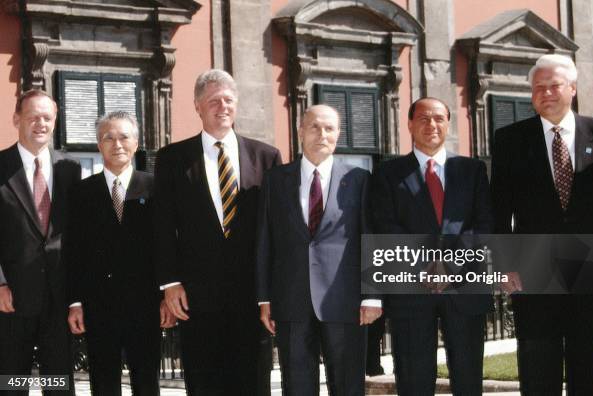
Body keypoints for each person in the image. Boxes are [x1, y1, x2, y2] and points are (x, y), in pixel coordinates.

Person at [154, 69, 281, 395]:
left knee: (253, 384)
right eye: (213, 101)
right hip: (197, 299)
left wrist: (271, 292)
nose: (221, 106)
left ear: (236, 104)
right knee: (204, 384)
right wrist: (170, 283)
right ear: (197, 106)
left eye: (228, 100)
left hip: (252, 297)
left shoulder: (267, 157)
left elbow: (275, 230)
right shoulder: (172, 159)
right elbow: (164, 225)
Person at [491, 54, 593, 395]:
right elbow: (499, 210)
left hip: (590, 265)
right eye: (538, 88)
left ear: (572, 88)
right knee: (536, 360)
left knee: (587, 361)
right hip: (532, 268)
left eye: (554, 85)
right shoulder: (510, 140)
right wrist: (504, 266)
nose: (546, 93)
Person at [256, 104, 382, 396]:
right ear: (301, 131)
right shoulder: (276, 180)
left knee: (348, 385)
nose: (321, 134)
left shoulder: (360, 180)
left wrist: (373, 294)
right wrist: (264, 297)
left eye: (329, 128)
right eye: (314, 127)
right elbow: (265, 241)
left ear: (338, 134)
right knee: (297, 386)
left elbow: (371, 238)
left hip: (346, 301)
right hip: (291, 300)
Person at [370, 97, 493, 395]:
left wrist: (449, 265)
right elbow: (385, 228)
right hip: (411, 289)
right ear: (410, 124)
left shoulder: (472, 170)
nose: (431, 124)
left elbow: (484, 224)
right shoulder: (388, 173)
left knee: (468, 377)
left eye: (439, 118)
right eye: (423, 118)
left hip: (464, 286)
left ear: (448, 123)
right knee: (413, 379)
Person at [64, 111, 175, 395]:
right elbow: (73, 252)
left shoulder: (155, 188)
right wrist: (75, 301)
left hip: (146, 305)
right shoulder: (81, 193)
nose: (117, 144)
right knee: (103, 382)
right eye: (108, 138)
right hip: (98, 305)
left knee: (147, 381)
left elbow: (168, 245)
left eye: (124, 136)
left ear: (136, 142)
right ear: (98, 146)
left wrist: (166, 296)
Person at [0, 90, 81, 395]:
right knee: (11, 382)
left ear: (55, 121)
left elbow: (77, 238)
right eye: (33, 116)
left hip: (59, 299)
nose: (40, 123)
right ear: (16, 119)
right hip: (11, 299)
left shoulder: (70, 170)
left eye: (47, 117)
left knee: (58, 384)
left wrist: (76, 298)